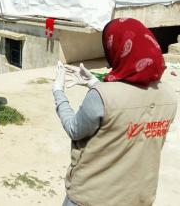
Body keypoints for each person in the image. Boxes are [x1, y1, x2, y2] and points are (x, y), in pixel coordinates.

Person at [52, 18, 177, 206]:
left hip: (91, 197)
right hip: (137, 198)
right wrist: (95, 82)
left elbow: (74, 129)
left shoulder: (102, 96)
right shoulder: (169, 97)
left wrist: (58, 93)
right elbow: (128, 117)